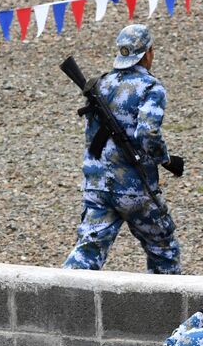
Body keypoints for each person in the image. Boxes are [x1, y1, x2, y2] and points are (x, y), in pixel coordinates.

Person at [62, 24, 184, 274]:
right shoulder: (151, 88)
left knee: (87, 252)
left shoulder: (100, 84)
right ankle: (167, 309)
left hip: (97, 184)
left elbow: (91, 135)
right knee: (164, 251)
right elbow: (148, 133)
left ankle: (60, 301)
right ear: (148, 52)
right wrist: (166, 160)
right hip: (133, 187)